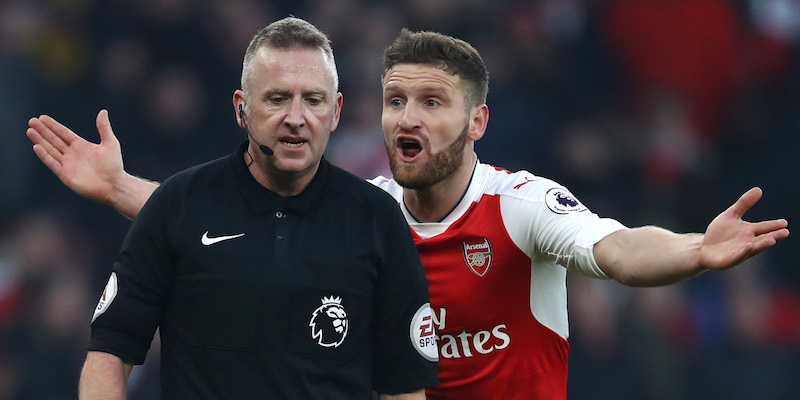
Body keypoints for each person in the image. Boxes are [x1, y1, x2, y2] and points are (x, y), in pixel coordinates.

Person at [27, 27, 789, 399]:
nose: (406, 118)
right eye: (395, 100)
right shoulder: (365, 213)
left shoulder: (518, 205)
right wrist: (123, 188)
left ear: (477, 123)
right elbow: (229, 227)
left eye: (431, 102)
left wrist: (692, 252)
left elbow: (619, 251)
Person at [28, 17, 439, 400]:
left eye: (313, 100)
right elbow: (110, 352)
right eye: (277, 98)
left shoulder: (376, 221)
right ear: (241, 108)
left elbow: (403, 385)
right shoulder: (178, 205)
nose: (296, 118)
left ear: (335, 112)